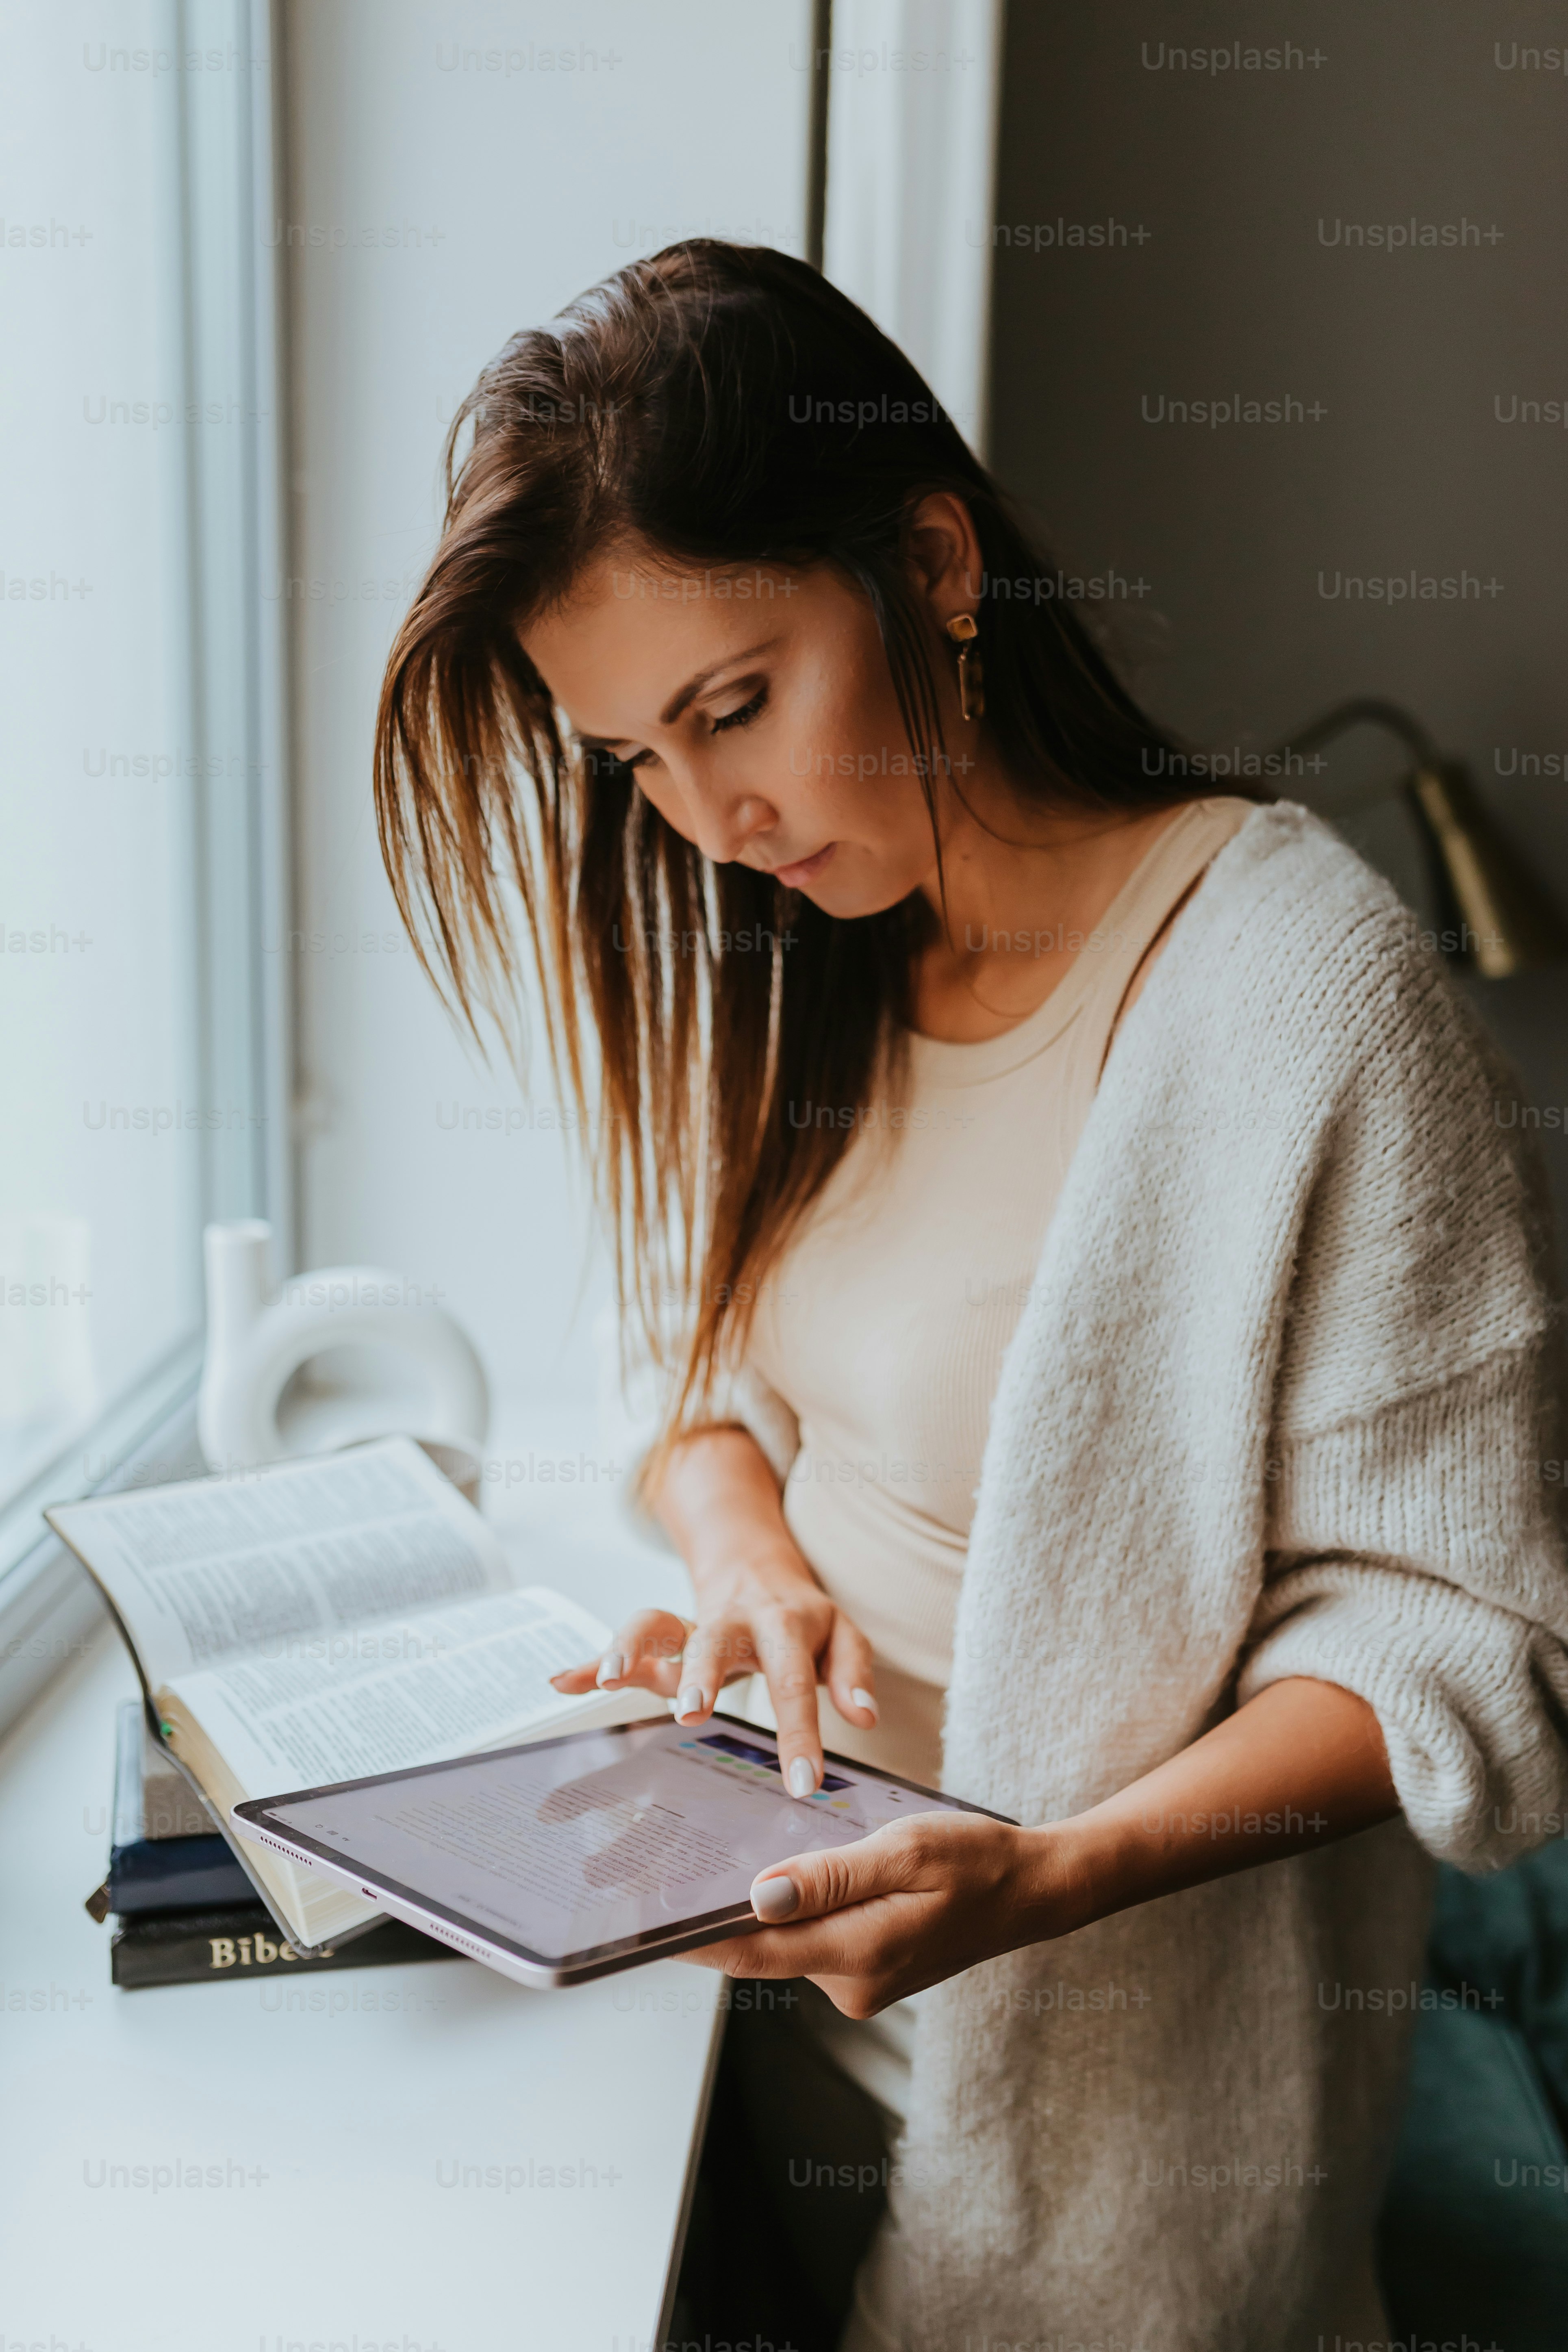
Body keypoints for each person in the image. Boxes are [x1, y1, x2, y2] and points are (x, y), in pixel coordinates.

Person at [374, 240, 1568, 2351]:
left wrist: (1048, 1875)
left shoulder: (1301, 999)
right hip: (741, 2024)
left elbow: (1460, 1637)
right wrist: (745, 1559)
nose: (712, 821)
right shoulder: (790, 959)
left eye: (734, 708)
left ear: (930, 565)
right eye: (634, 759)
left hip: (1093, 2154)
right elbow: (684, 1352)